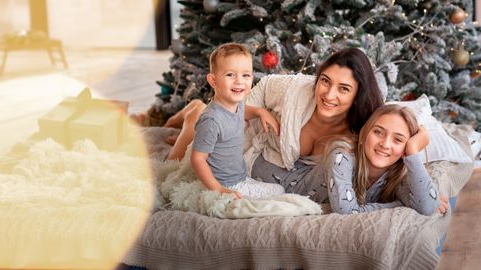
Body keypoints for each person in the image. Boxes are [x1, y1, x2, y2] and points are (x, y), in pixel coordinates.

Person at [165, 47, 384, 167]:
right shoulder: (296, 90)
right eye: (325, 81)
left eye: (343, 89)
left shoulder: (363, 127)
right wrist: (257, 111)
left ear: (358, 94)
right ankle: (195, 113)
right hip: (256, 119)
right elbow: (267, 84)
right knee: (178, 165)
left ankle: (197, 110)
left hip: (266, 143)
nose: (329, 94)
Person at [252, 104, 449, 215]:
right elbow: (346, 212)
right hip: (270, 172)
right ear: (364, 135)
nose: (386, 144)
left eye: (398, 140)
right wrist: (400, 204)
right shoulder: (342, 154)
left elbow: (427, 206)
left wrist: (413, 153)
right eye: (378, 132)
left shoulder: (399, 170)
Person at [190, 43, 285, 199]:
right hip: (226, 184)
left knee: (277, 188)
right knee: (280, 191)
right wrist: (219, 190)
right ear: (213, 81)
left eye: (245, 75)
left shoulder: (237, 104)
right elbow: (198, 159)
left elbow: (242, 112)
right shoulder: (211, 120)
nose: (239, 81)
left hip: (240, 177)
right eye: (230, 75)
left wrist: (259, 111)